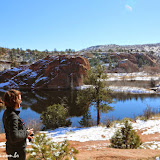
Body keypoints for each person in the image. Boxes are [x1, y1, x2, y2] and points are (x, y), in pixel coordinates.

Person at [2, 89, 34, 160]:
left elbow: (12, 132)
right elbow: (14, 137)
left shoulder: (7, 112)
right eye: (19, 99)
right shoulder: (13, 117)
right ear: (13, 101)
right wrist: (27, 132)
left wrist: (25, 134)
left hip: (11, 148)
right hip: (17, 152)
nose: (21, 101)